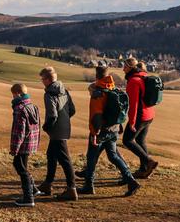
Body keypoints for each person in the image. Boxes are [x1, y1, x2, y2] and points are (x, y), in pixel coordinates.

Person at [76, 66, 141, 196]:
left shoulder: (98, 93)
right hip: (114, 129)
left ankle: (89, 186)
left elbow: (96, 115)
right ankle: (131, 181)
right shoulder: (113, 88)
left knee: (91, 158)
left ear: (96, 76)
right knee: (113, 156)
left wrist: (94, 133)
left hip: (101, 131)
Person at [36, 67, 78, 201]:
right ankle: (47, 184)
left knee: (65, 160)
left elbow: (52, 115)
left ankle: (72, 189)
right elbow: (72, 110)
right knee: (51, 155)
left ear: (48, 79)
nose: (42, 82)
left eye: (42, 79)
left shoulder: (49, 94)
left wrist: (46, 127)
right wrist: (64, 120)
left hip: (56, 129)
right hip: (64, 127)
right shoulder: (64, 90)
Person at [122, 58, 159, 179]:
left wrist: (132, 122)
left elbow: (134, 104)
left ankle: (149, 162)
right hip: (150, 114)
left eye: (125, 67)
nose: (123, 69)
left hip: (140, 116)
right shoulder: (143, 75)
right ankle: (144, 169)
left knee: (127, 140)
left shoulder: (133, 81)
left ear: (130, 68)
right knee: (140, 140)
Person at [9, 83, 41, 207]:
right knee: (23, 166)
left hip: (22, 144)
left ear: (17, 94)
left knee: (19, 166)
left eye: (13, 95)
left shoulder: (19, 109)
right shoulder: (33, 106)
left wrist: (14, 149)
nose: (12, 97)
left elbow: (19, 132)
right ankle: (33, 189)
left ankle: (28, 197)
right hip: (30, 142)